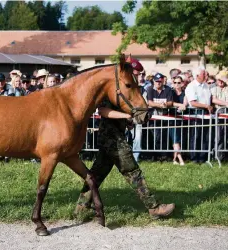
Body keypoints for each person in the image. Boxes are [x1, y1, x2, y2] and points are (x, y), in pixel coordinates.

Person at [75, 62, 175, 219]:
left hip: (115, 136)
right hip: (111, 138)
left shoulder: (126, 88)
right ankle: (154, 207)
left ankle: (81, 207)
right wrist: (126, 116)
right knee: (132, 171)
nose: (135, 75)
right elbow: (103, 111)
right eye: (134, 72)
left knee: (96, 174)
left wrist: (127, 122)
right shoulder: (110, 88)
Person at [147, 73, 173, 161]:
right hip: (153, 118)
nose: (158, 83)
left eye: (160, 81)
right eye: (156, 81)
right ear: (154, 81)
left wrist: (165, 104)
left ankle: (164, 156)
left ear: (162, 81)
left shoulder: (168, 89)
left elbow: (171, 102)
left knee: (165, 137)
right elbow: (149, 102)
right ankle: (156, 156)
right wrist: (160, 105)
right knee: (155, 137)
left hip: (165, 117)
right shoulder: (150, 89)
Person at [170, 75, 187, 166]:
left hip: (182, 119)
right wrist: (180, 105)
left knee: (178, 140)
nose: (176, 84)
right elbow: (170, 102)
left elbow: (185, 104)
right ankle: (180, 159)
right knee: (175, 139)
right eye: (175, 82)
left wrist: (182, 105)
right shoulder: (171, 92)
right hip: (172, 118)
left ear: (182, 83)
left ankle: (174, 159)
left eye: (179, 82)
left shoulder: (185, 93)